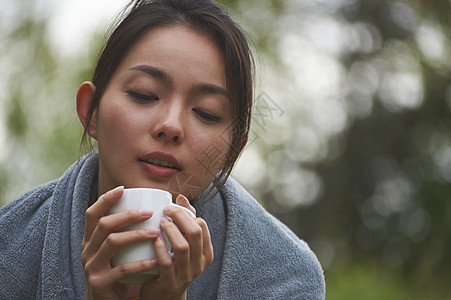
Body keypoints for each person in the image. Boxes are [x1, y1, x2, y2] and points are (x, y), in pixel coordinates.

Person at [0, 0, 325, 299]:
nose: (171, 126)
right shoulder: (9, 246)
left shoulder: (287, 277)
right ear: (91, 112)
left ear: (233, 150)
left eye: (207, 113)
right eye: (144, 94)